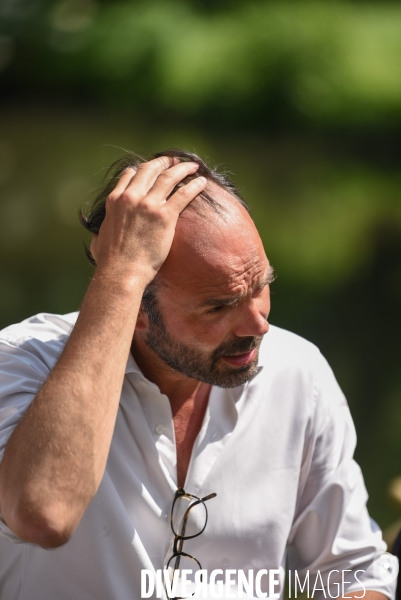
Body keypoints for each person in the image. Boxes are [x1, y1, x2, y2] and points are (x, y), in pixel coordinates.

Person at [0, 150, 397, 600]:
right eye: (218, 305)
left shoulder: (298, 374)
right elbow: (44, 513)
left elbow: (357, 575)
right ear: (136, 311)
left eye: (261, 285)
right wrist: (123, 273)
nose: (258, 324)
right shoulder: (20, 360)